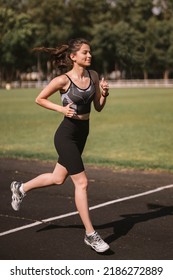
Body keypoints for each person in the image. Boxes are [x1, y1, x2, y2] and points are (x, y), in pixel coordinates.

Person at [10, 38, 110, 253]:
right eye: (85, 52)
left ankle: (21, 188)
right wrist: (61, 109)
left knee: (57, 178)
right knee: (81, 183)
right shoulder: (62, 80)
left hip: (83, 133)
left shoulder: (93, 76)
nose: (89, 55)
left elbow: (98, 108)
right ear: (73, 57)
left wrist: (104, 93)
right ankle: (91, 235)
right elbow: (40, 99)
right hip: (66, 135)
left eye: (90, 52)